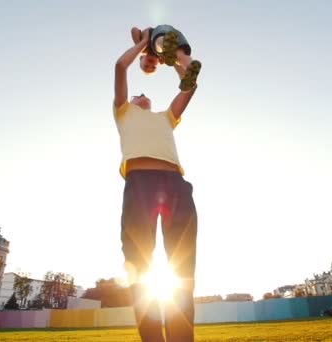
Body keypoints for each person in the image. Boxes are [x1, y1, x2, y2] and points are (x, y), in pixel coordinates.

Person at [114, 29, 199, 342]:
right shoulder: (123, 113)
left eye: (143, 94)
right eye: (137, 94)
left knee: (183, 268)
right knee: (139, 265)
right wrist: (143, 45)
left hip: (175, 184)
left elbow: (190, 84)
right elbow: (120, 67)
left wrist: (172, 56)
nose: (141, 95)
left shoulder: (166, 117)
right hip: (139, 186)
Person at [131, 25, 202, 91]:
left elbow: (134, 29)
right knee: (179, 57)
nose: (150, 65)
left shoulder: (144, 48)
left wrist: (139, 43)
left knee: (158, 46)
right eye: (153, 68)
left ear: (141, 57)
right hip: (177, 36)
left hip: (161, 32)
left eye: (146, 66)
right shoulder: (166, 58)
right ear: (158, 63)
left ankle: (166, 42)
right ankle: (189, 68)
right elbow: (175, 64)